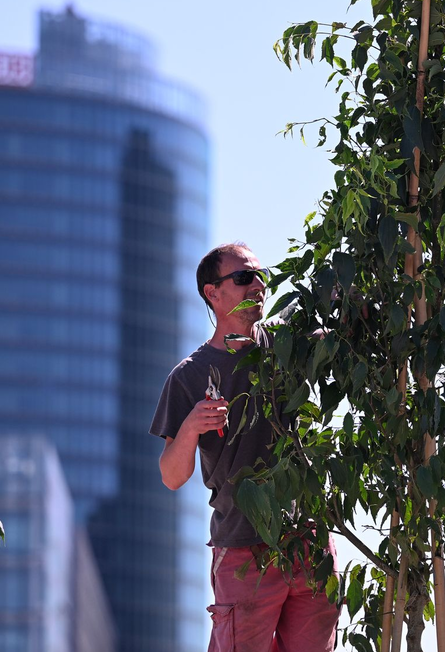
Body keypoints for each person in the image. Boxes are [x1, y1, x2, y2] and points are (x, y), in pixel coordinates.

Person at [151, 242, 340, 652]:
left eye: (260, 276)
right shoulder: (189, 376)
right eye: (243, 277)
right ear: (212, 293)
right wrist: (190, 427)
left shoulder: (287, 344)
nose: (257, 285)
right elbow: (171, 476)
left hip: (309, 539)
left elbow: (338, 335)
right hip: (243, 548)